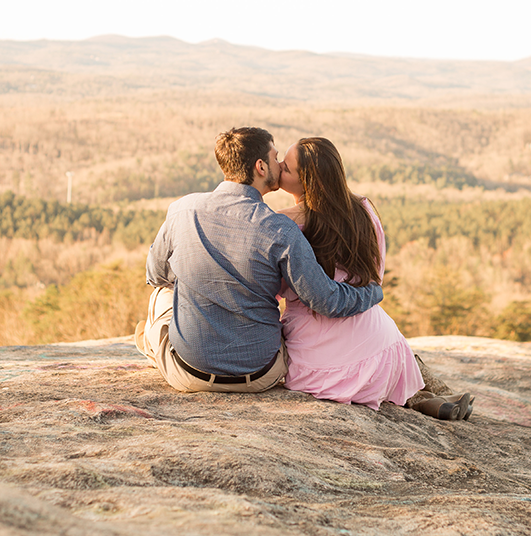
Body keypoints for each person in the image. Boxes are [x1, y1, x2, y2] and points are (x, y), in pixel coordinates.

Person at [137, 127, 384, 393]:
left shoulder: (182, 210)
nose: (279, 164)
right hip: (261, 375)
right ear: (261, 167)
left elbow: (155, 274)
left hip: (188, 373)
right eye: (276, 157)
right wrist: (372, 292)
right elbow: (327, 300)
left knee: (163, 293)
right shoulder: (281, 229)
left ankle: (151, 342)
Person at [277, 137, 473, 420]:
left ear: (306, 182)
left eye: (286, 167)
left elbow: (273, 290)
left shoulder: (285, 223)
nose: (279, 168)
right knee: (384, 327)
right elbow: (373, 277)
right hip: (380, 352)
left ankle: (427, 397)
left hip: (317, 365)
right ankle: (428, 396)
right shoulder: (364, 211)